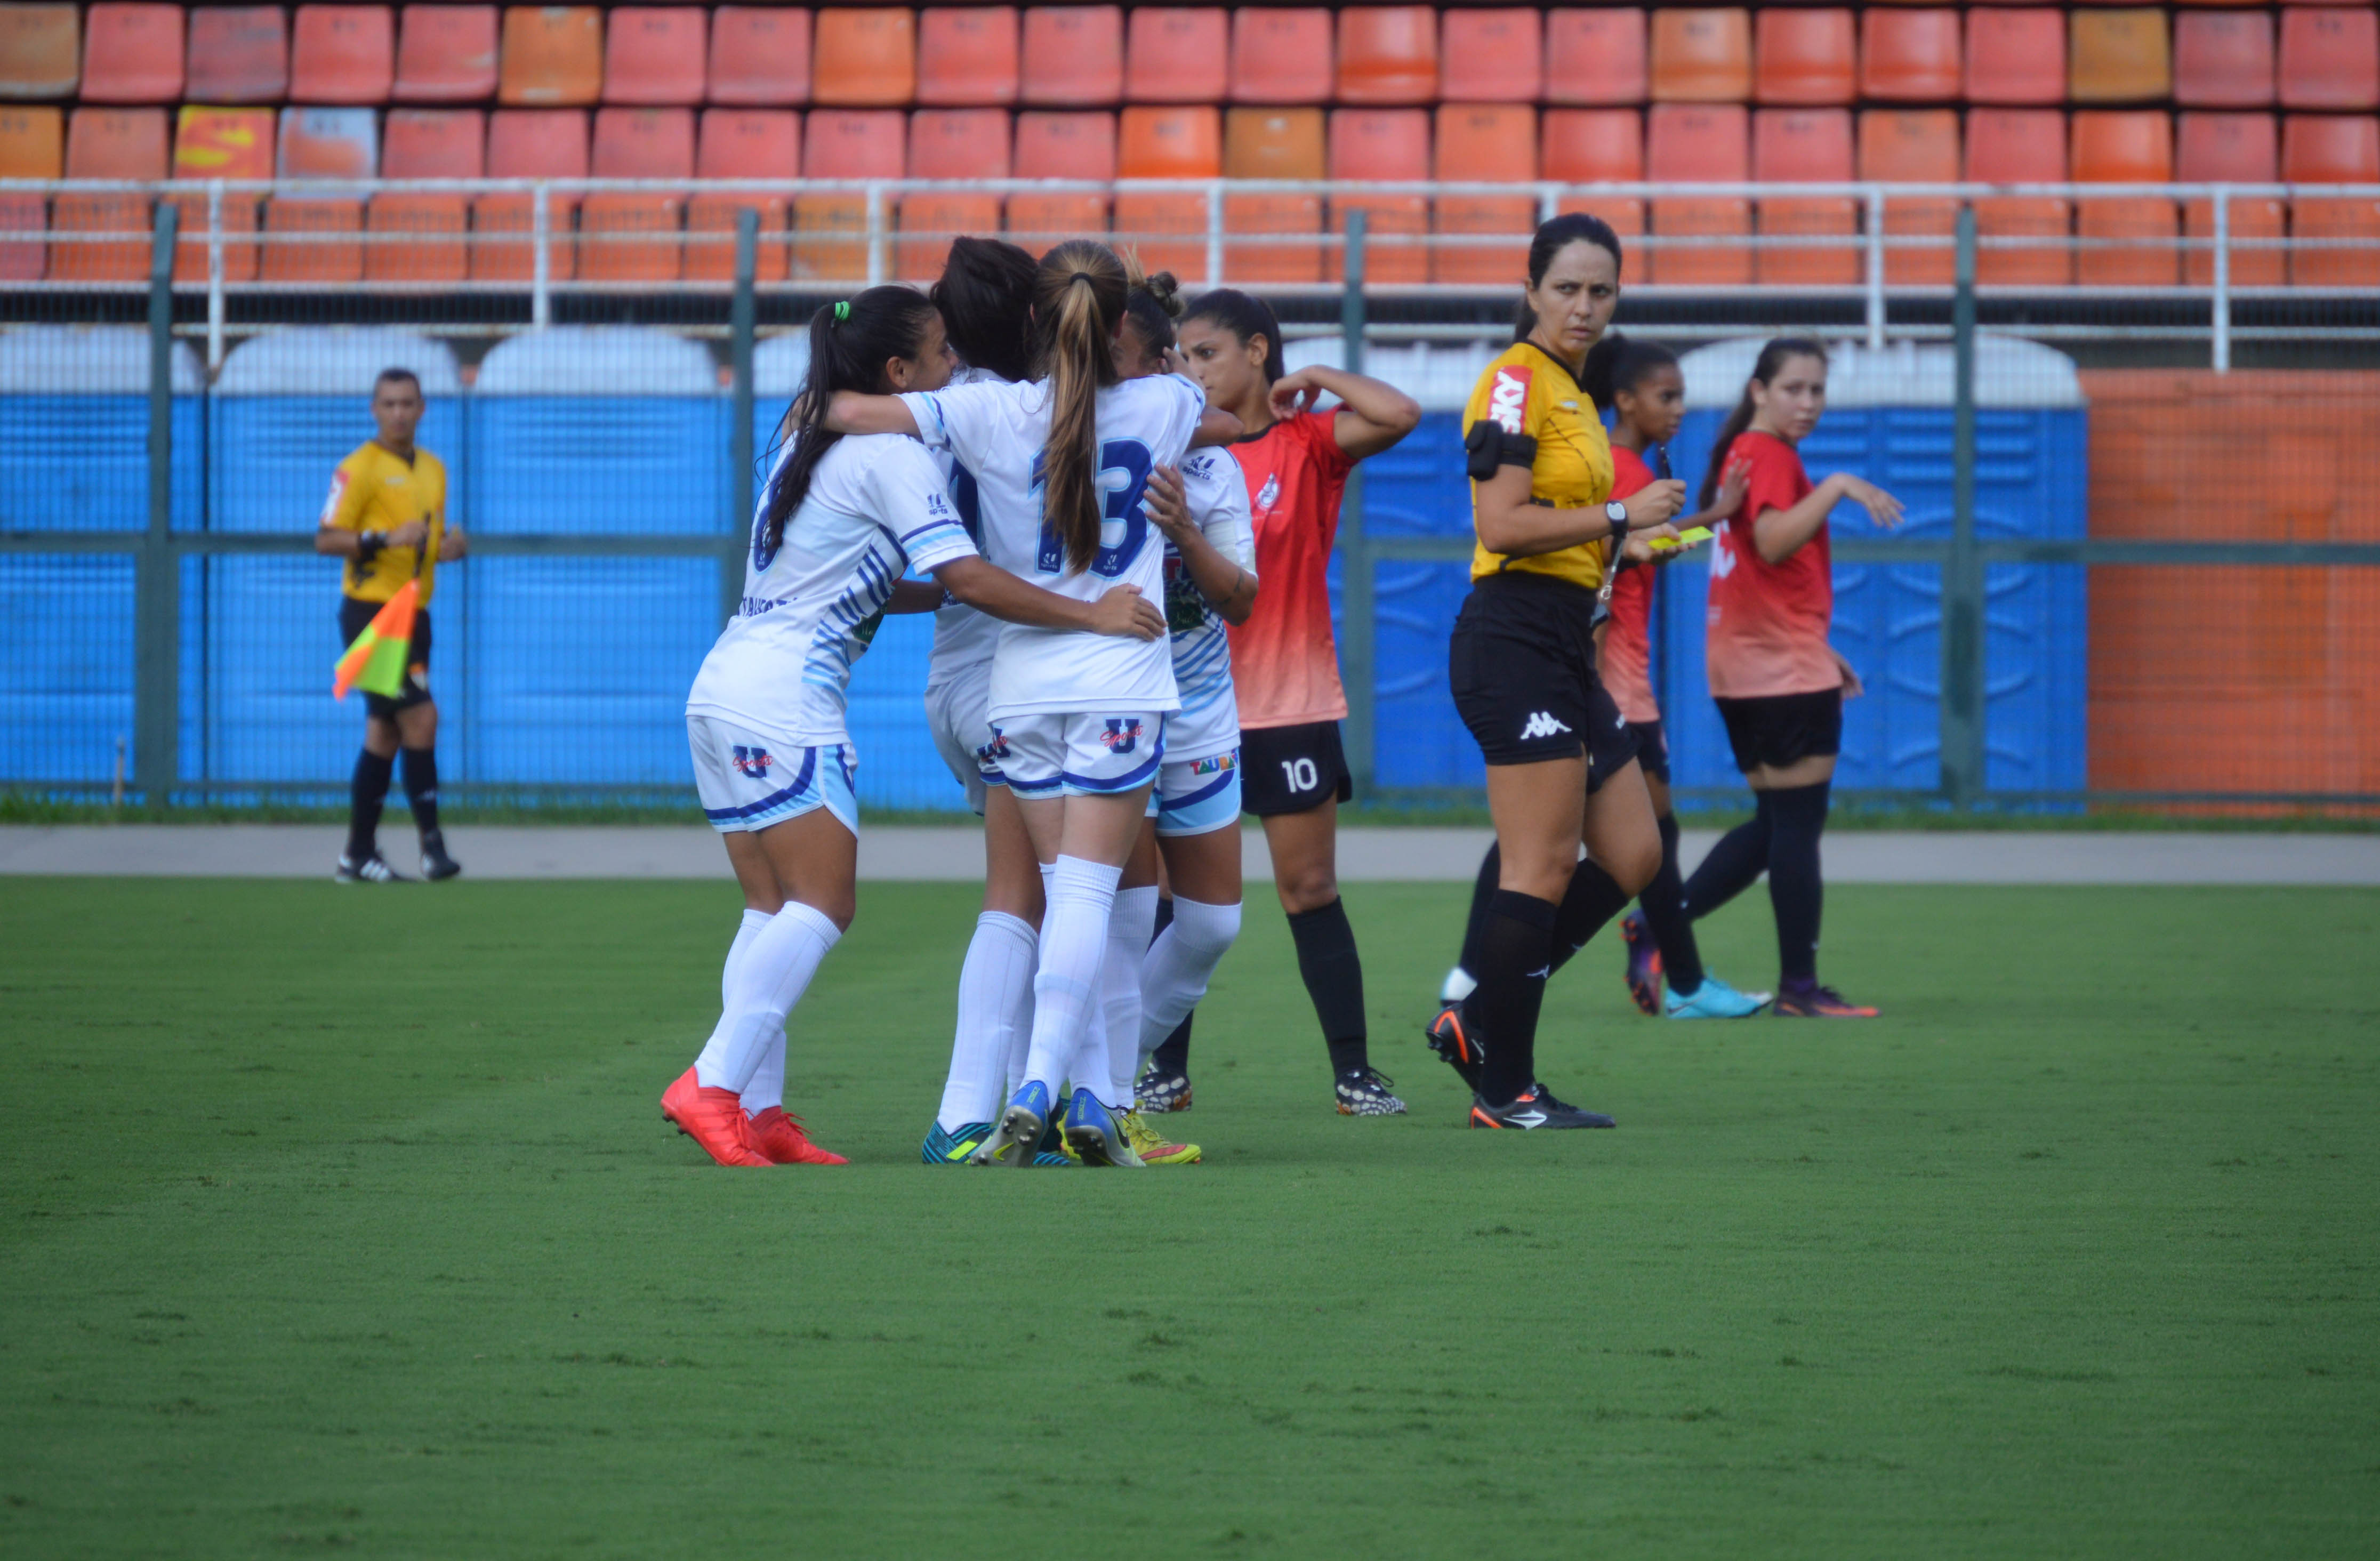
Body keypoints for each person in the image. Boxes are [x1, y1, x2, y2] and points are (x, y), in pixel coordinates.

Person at [664, 286, 1168, 1169]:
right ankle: (711, 1079)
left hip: (725, 686)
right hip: (784, 701)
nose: (955, 367)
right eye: (940, 354)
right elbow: (971, 579)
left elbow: (850, 577)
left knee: (769, 907)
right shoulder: (888, 454)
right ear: (897, 371)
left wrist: (940, 589)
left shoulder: (801, 441)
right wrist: (1088, 615)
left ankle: (758, 1107)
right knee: (823, 902)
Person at [828, 242, 1216, 1168]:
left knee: (1035, 896)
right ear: (1119, 328)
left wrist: (820, 385)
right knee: (1085, 894)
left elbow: (848, 411)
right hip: (1096, 666)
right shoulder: (1160, 403)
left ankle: (1010, 1106)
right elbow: (1228, 416)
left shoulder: (969, 409)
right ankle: (1064, 1092)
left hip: (1004, 681)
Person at [1426, 212, 1685, 1130]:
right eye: (1567, 287)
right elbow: (1500, 526)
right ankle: (1506, 1088)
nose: (1583, 305)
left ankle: (1473, 1017)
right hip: (1509, 640)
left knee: (1634, 851)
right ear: (1531, 290)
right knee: (1536, 866)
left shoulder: (1572, 391)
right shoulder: (1511, 382)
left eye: (1600, 290)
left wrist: (1634, 535)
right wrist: (1620, 512)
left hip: (1560, 643)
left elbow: (1571, 525)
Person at [1434, 334, 1766, 1022]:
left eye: (1601, 291)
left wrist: (1686, 526)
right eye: (1665, 396)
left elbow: (1616, 551)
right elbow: (1545, 539)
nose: (1678, 409)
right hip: (1586, 668)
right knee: (1554, 849)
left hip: (1590, 670)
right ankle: (1670, 976)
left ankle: (1484, 988)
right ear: (1626, 400)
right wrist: (1592, 656)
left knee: (1609, 844)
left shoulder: (1596, 438)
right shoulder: (1584, 441)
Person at [1158, 287, 1422, 1117]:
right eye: (1183, 356)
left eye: (1208, 353)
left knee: (1309, 888)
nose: (1192, 370)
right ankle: (1161, 1072)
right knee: (1173, 899)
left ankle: (1354, 1072)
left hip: (1290, 700)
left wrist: (1315, 373)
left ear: (1258, 353)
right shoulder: (1168, 445)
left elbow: (1401, 412)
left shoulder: (1307, 442)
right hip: (1186, 703)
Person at [1676, 338, 1903, 1018]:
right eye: (1793, 389)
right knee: (1798, 825)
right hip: (1777, 667)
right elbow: (1773, 541)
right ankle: (1800, 989)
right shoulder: (1768, 453)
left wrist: (1815, 645)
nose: (1807, 404)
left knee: (1777, 820)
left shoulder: (1743, 451)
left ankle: (1662, 924)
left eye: (1817, 391)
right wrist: (1837, 486)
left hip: (1743, 662)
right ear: (1759, 390)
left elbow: (1755, 564)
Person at [1100, 273, 1263, 1166]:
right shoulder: (1071, 447)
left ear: (1161, 369)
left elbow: (1239, 599)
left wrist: (1185, 534)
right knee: (1116, 918)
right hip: (1113, 709)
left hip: (1197, 716)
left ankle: (1090, 1080)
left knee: (1208, 926)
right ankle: (1097, 1098)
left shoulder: (1209, 465)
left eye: (1120, 367)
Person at [315, 367, 465, 884]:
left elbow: (428, 543)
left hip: (414, 615)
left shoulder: (434, 470)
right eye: (389, 404)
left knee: (384, 731)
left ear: (422, 409)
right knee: (421, 718)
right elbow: (327, 539)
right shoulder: (358, 469)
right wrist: (383, 538)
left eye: (408, 403)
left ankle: (357, 855)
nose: (399, 413)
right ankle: (432, 848)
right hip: (372, 616)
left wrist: (448, 550)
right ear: (374, 410)